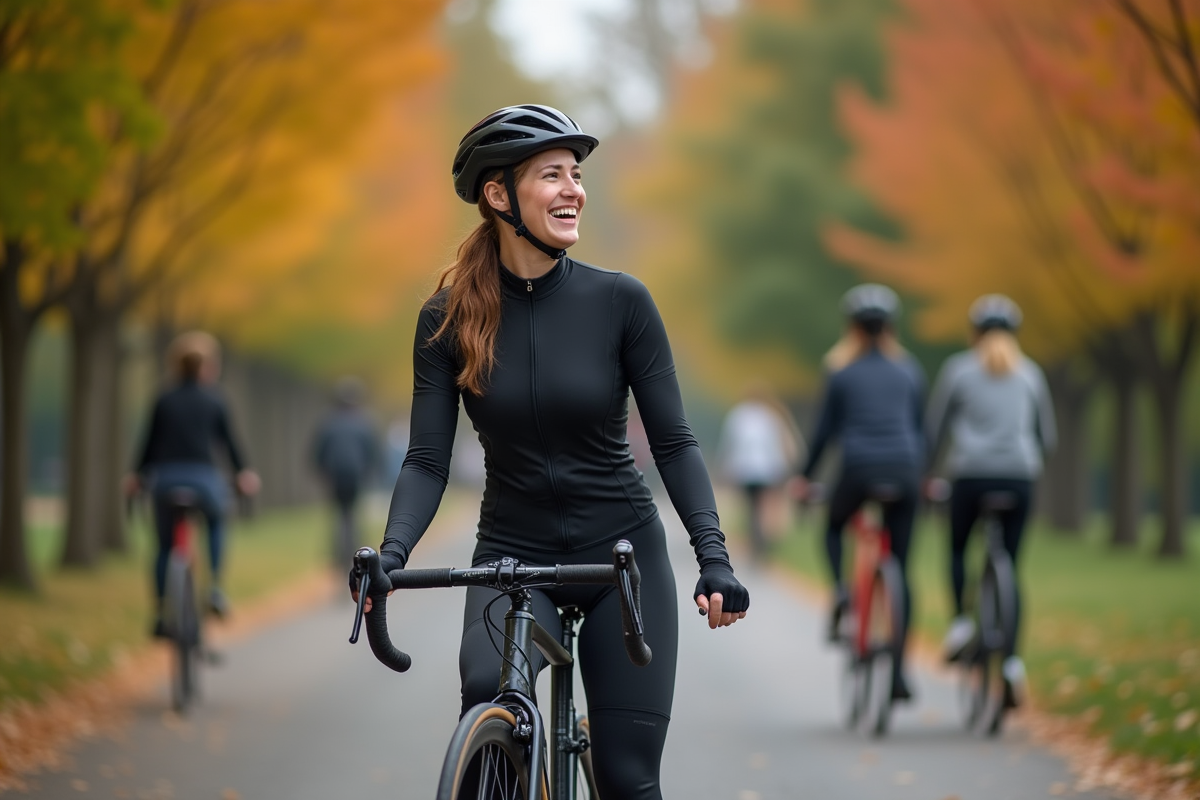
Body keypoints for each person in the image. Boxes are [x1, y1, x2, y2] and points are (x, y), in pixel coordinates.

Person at [351, 104, 749, 800]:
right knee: (486, 695)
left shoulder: (622, 302)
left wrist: (713, 556)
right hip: (512, 554)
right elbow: (426, 460)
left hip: (620, 556)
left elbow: (677, 442)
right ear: (499, 196)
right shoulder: (445, 318)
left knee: (628, 778)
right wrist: (390, 556)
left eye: (576, 174)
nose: (574, 190)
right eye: (552, 175)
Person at [791, 283, 925, 702]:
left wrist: (804, 475)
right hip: (905, 471)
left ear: (851, 327)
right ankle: (900, 672)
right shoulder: (910, 371)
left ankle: (843, 592)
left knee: (833, 527)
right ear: (891, 327)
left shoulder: (841, 373)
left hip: (858, 469)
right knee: (902, 566)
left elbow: (825, 431)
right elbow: (923, 430)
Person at [925, 294, 1056, 702]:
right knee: (1012, 569)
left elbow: (936, 428)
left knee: (958, 548)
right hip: (1019, 477)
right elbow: (1046, 437)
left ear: (974, 333)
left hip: (970, 474)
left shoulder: (959, 371)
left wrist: (929, 472)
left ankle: (961, 623)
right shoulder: (1031, 374)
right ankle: (1014, 663)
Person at [124, 331, 260, 635]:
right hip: (204, 480)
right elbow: (230, 444)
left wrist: (135, 475)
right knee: (215, 523)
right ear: (207, 366)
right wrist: (244, 473)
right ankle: (214, 588)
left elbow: (148, 444)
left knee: (163, 545)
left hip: (165, 480)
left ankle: (160, 610)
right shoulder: (216, 399)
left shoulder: (163, 398)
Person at [717, 381, 802, 560]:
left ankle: (756, 540)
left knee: (751, 507)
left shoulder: (737, 415)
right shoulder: (770, 416)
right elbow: (775, 446)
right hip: (767, 470)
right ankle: (761, 541)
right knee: (762, 506)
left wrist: (724, 466)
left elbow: (729, 443)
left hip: (745, 469)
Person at [312, 376, 380, 569]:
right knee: (353, 514)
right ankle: (357, 551)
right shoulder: (365, 422)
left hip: (335, 476)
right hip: (356, 475)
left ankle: (339, 554)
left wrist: (322, 471)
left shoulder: (328, 422)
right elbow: (372, 452)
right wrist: (369, 471)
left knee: (339, 515)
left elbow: (318, 453)